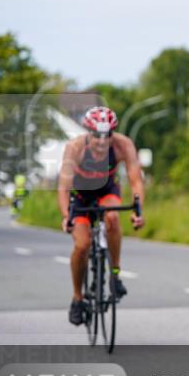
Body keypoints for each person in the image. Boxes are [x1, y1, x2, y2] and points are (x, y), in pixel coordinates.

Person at [57, 106, 145, 325]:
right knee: (82, 245)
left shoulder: (124, 145)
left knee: (113, 218)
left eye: (107, 135)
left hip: (107, 190)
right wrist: (66, 216)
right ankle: (77, 298)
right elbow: (63, 186)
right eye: (97, 135)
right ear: (88, 132)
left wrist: (138, 211)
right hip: (80, 196)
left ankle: (114, 274)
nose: (102, 141)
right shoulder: (75, 148)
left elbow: (136, 181)